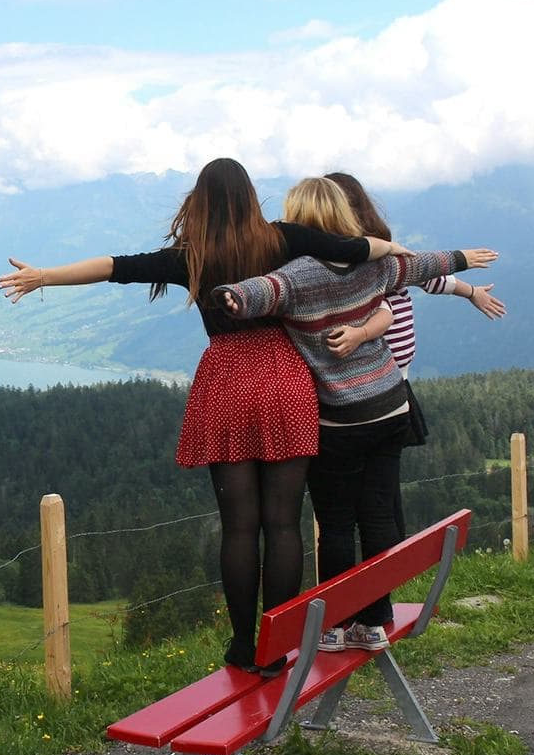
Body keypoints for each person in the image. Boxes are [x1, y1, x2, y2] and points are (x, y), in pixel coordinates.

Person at [0, 158, 404, 675]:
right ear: (252, 196)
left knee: (239, 529)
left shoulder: (193, 256)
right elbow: (355, 249)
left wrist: (44, 277)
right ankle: (275, 648)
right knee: (284, 525)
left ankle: (241, 645)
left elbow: (115, 267)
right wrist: (392, 248)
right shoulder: (284, 239)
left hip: (228, 382)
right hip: (286, 379)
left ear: (201, 201)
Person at [213, 176, 497, 653]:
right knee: (379, 511)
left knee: (338, 522)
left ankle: (340, 623)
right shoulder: (377, 267)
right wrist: (464, 259)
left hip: (340, 419)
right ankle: (376, 619)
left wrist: (226, 292)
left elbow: (250, 297)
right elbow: (424, 266)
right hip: (391, 406)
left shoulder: (299, 274)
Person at [321, 171, 506, 534]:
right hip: (374, 387)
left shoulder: (380, 253)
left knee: (377, 493)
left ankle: (383, 562)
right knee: (380, 493)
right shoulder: (353, 259)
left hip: (388, 385)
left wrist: (470, 291)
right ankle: (385, 563)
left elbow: (428, 276)